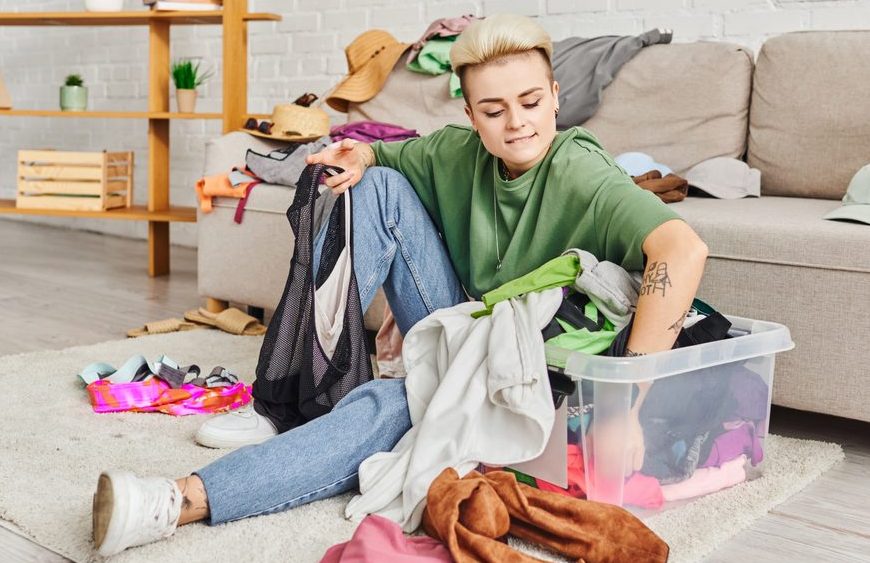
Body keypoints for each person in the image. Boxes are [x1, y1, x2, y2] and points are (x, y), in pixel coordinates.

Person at [90, 14, 708, 557]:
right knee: (376, 189)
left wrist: (625, 408)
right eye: (493, 111)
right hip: (461, 328)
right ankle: (302, 387)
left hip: (519, 366)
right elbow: (385, 160)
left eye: (529, 102)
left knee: (389, 406)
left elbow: (682, 248)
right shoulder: (457, 150)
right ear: (471, 115)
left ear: (554, 96)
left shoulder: (581, 171)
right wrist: (359, 157)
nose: (516, 123)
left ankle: (173, 502)